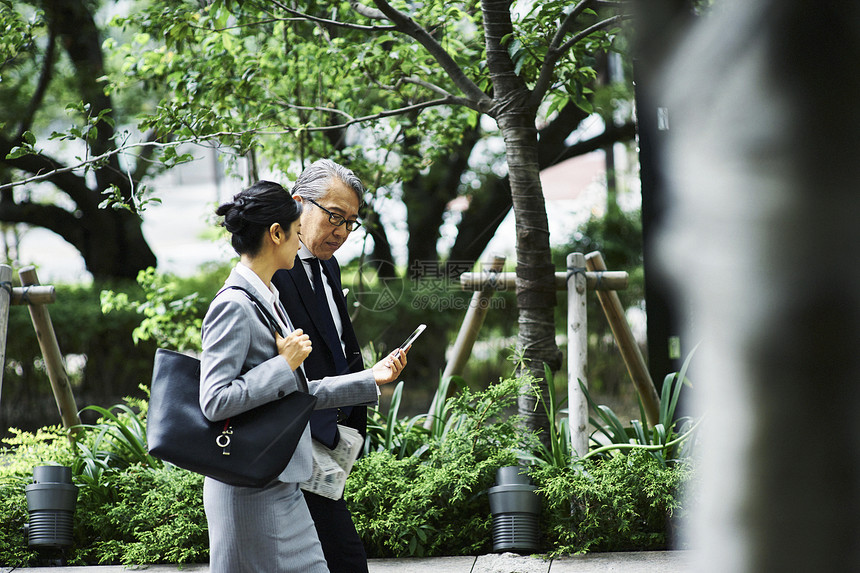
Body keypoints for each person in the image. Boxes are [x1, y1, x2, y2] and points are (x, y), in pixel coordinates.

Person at [199, 180, 407, 573]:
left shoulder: (266, 298)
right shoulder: (233, 304)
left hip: (281, 481)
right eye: (297, 233)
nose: (302, 243)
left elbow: (296, 391)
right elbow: (214, 400)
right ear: (276, 233)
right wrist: (283, 364)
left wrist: (368, 380)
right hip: (250, 485)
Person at [271, 159, 374, 572]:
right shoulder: (273, 271)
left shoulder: (327, 263)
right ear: (299, 204)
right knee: (345, 559)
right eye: (334, 216)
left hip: (332, 438)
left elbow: (339, 341)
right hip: (294, 442)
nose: (342, 231)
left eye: (351, 222)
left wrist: (365, 381)